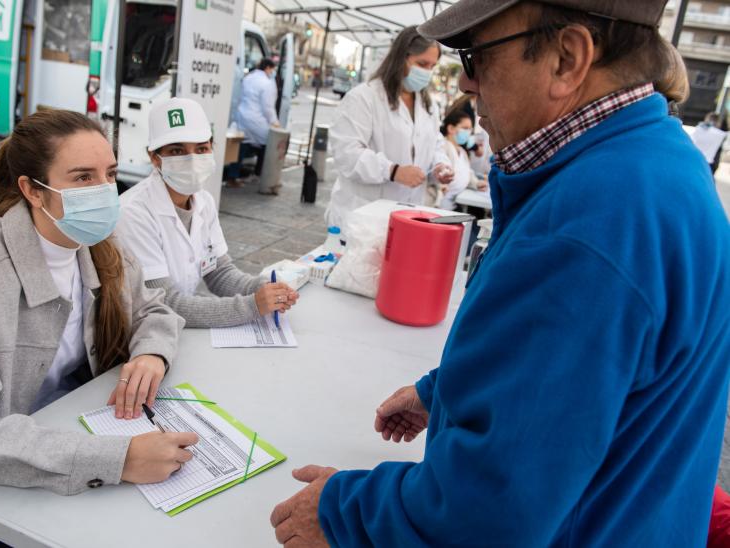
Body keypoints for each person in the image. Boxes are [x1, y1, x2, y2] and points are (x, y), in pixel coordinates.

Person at [270, 1, 730, 546]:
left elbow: (491, 509)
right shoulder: (658, 164)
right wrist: (445, 391)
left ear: (567, 59)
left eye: (477, 55)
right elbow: (587, 379)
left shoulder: (588, 224)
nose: (465, 81)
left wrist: (345, 513)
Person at [0, 110, 196, 548]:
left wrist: (151, 354)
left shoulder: (98, 247)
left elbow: (153, 309)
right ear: (32, 190)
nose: (103, 190)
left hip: (73, 455)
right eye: (82, 177)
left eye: (110, 174)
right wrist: (118, 458)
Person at [117, 97, 298, 328]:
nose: (192, 160)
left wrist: (262, 287)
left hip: (174, 331)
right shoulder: (133, 214)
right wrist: (253, 306)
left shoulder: (204, 202)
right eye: (177, 150)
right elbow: (166, 303)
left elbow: (218, 272)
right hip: (138, 337)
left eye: (201, 148)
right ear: (154, 157)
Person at [325, 26, 454, 232]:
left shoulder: (428, 105)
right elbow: (346, 154)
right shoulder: (363, 98)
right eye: (422, 64)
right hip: (362, 217)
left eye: (432, 66)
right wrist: (393, 171)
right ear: (401, 57)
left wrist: (440, 164)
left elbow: (433, 143)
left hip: (407, 215)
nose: (427, 72)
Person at [226, 58, 280, 187]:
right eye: (272, 69)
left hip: (242, 117)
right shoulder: (267, 83)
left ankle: (232, 177)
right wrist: (275, 122)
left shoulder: (249, 78)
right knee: (269, 144)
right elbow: (267, 107)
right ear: (267, 68)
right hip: (257, 119)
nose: (272, 72)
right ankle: (260, 175)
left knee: (242, 146)